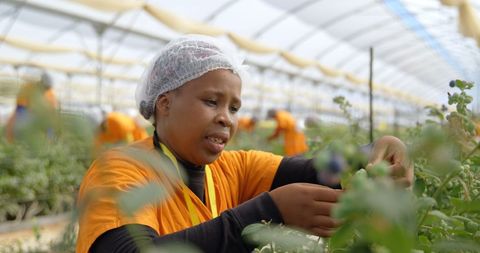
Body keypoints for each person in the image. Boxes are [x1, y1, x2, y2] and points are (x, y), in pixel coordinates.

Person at [76, 35, 414, 253]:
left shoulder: (231, 168)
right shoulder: (120, 172)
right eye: (211, 101)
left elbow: (318, 170)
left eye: (234, 107)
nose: (226, 118)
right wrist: (266, 213)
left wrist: (375, 152)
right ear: (164, 104)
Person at [4, 71, 57, 142]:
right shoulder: (29, 87)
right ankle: (18, 139)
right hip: (25, 109)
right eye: (45, 87)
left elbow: (51, 110)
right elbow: (20, 105)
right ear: (41, 82)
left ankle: (49, 141)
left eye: (47, 88)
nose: (46, 89)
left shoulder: (50, 94)